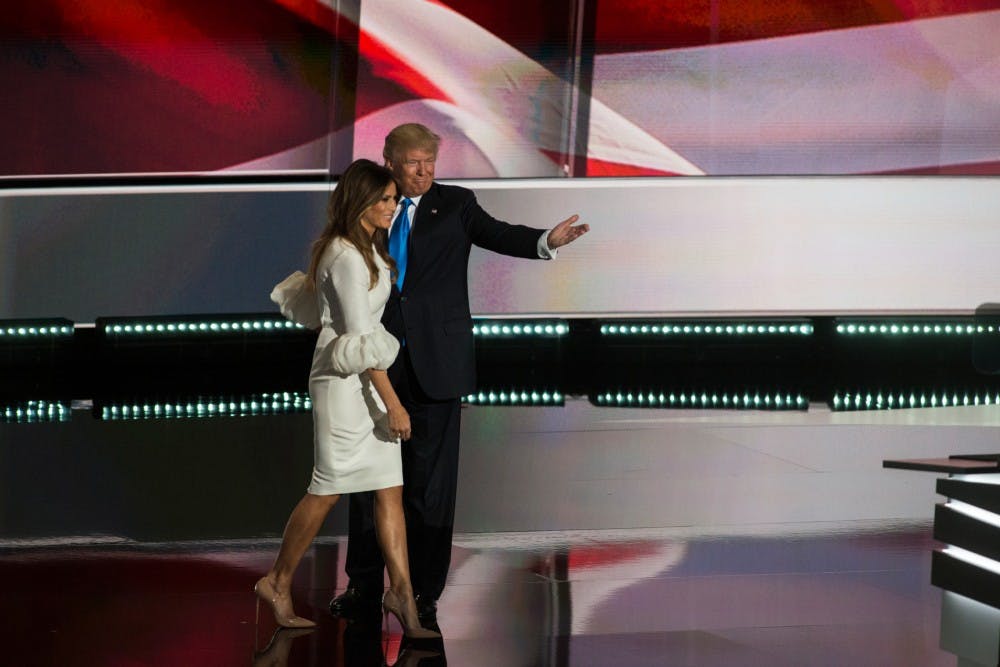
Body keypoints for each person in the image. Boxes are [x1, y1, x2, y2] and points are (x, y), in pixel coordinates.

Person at [330, 124, 589, 624]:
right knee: (367, 481)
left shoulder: (457, 204)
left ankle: (423, 591)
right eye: (413, 162)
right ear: (388, 159)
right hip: (375, 361)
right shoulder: (371, 205)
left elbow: (499, 234)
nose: (424, 171)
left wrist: (544, 241)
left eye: (430, 160)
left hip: (437, 363)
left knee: (431, 488)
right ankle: (363, 585)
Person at [255, 158, 439, 639]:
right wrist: (394, 404)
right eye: (384, 199)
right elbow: (359, 339)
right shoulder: (344, 257)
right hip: (343, 382)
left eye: (395, 198)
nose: (393, 206)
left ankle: (400, 592)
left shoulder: (369, 250)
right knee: (328, 487)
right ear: (360, 201)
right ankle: (276, 581)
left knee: (388, 488)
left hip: (365, 375)